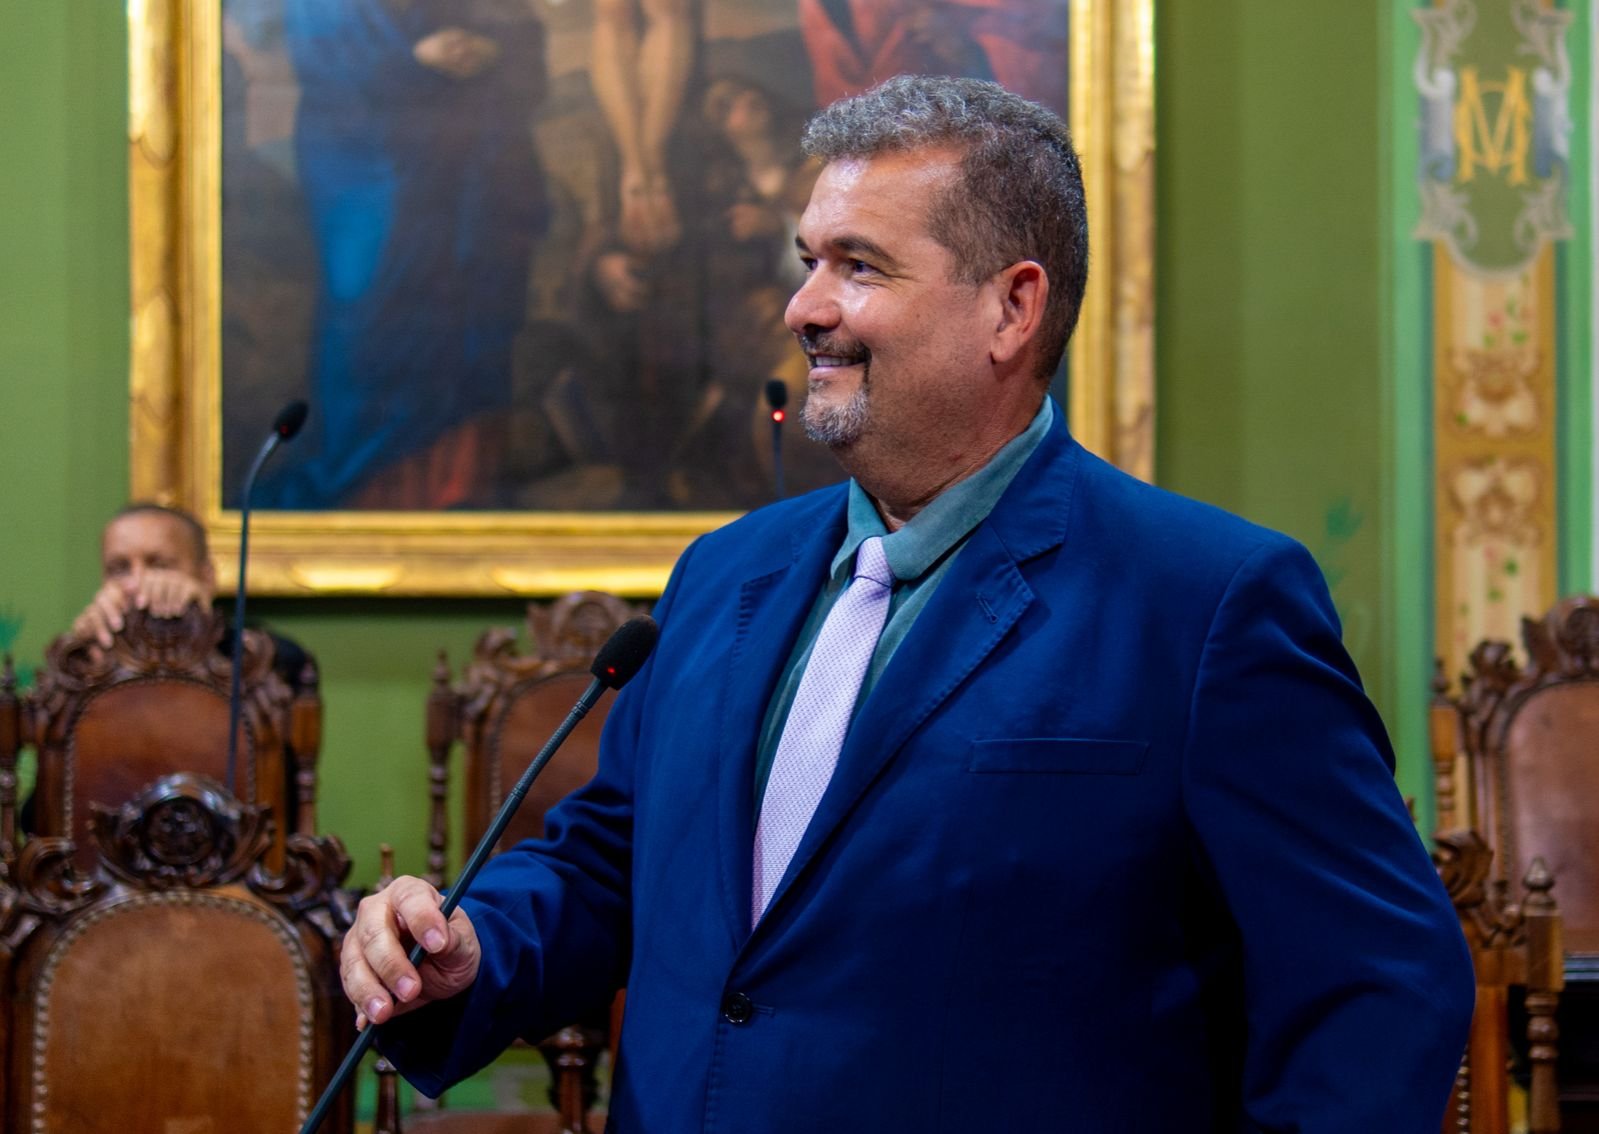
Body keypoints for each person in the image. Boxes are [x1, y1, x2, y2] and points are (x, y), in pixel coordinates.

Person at [343, 76, 1475, 1131]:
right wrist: (477, 948)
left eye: (859, 267)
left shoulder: (1206, 605)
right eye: (807, 261)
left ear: (1011, 308)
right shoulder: (724, 574)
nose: (802, 307)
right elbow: (614, 863)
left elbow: (1376, 986)